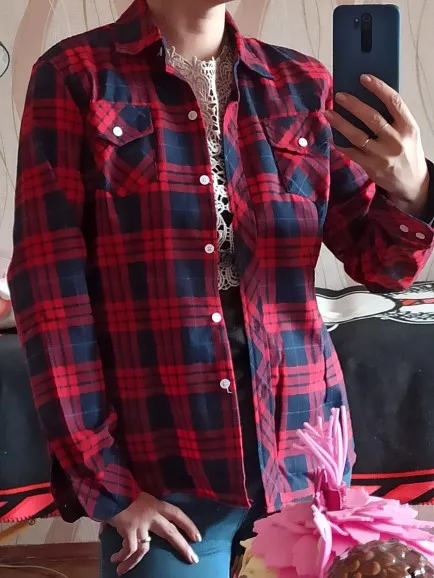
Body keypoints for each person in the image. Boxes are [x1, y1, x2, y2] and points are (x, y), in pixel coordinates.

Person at [8, 0, 434, 576]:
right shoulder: (76, 75)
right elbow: (50, 289)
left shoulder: (301, 82)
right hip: (163, 460)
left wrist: (414, 191)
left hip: (302, 448)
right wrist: (106, 480)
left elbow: (379, 265)